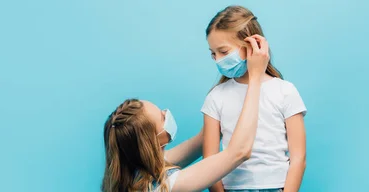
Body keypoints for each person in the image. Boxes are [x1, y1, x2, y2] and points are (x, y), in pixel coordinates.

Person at [101, 34, 270, 191]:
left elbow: (202, 140)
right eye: (162, 116)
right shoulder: (168, 185)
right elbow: (239, 152)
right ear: (153, 140)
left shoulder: (136, 171)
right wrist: (255, 77)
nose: (166, 114)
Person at [202, 5, 307, 192]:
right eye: (213, 54)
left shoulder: (285, 91)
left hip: (277, 187)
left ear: (252, 44)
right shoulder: (216, 97)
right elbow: (209, 161)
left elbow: (298, 158)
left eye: (224, 52)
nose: (218, 59)